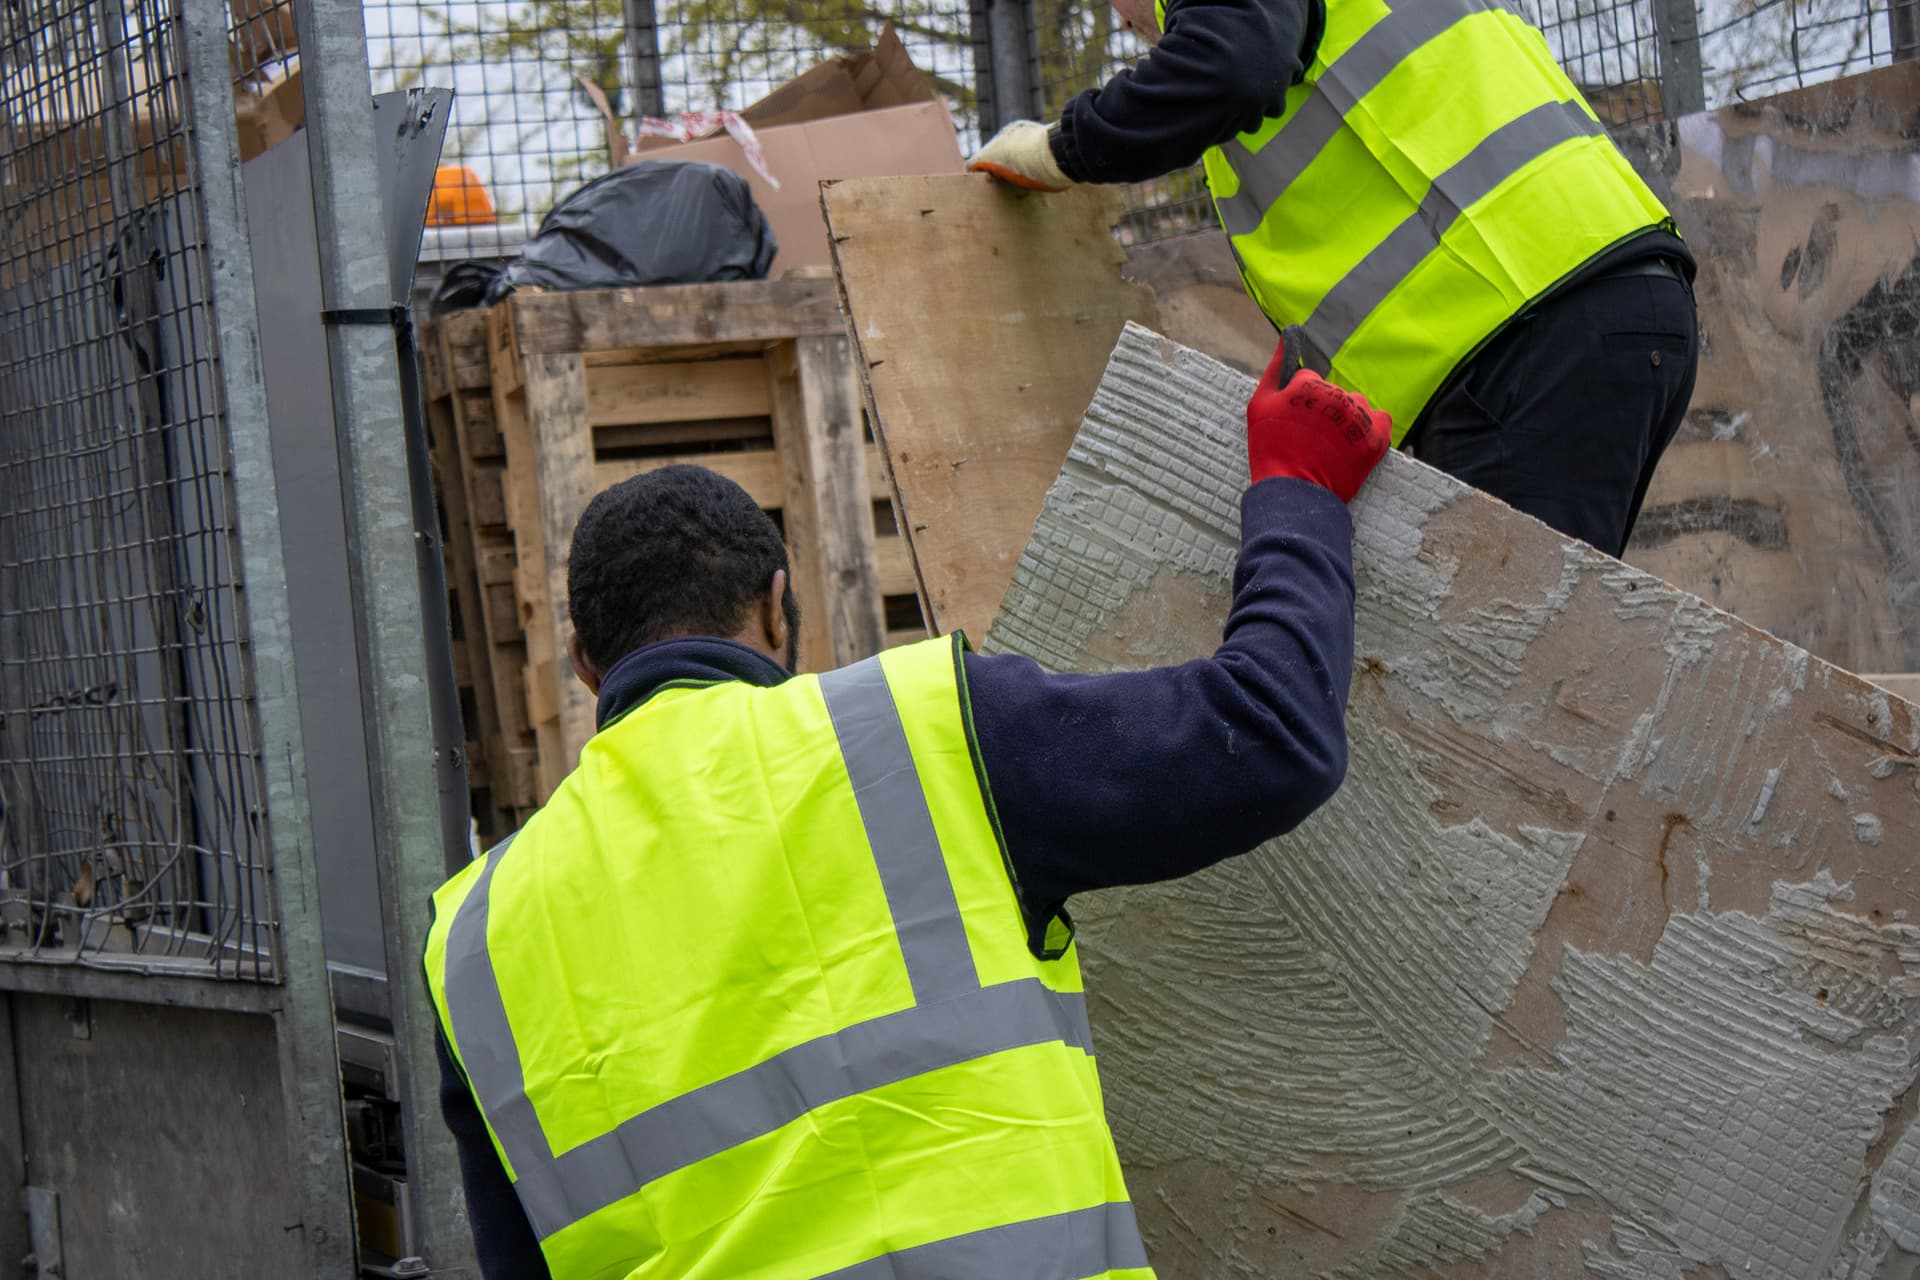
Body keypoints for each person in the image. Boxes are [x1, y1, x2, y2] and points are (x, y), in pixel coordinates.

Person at [422, 340, 1391, 1279]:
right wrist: (1299, 488)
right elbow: (1267, 731)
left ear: (587, 665)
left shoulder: (474, 942)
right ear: (777, 604)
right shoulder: (922, 730)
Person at [968, 0, 1699, 558]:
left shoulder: (1237, 33)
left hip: (1522, 336)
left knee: (1512, 694)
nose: (1130, 28)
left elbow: (1226, 68)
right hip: (1600, 305)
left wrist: (1062, 148)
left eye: (1117, 8)